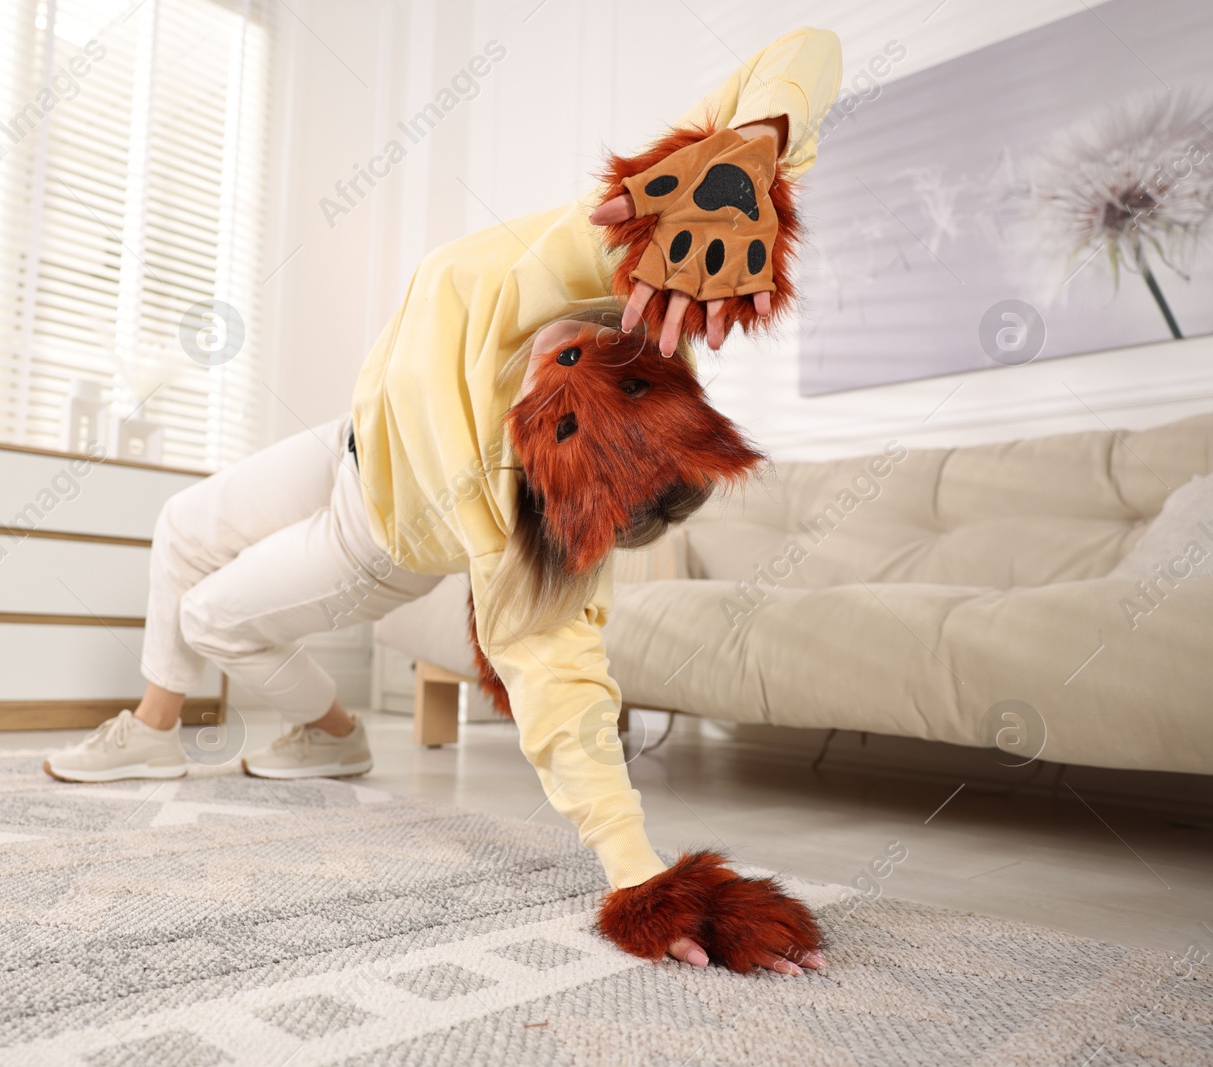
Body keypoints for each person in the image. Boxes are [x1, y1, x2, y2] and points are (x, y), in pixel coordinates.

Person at [46, 26, 843, 976]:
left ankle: (332, 737)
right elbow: (810, 47)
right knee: (181, 523)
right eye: (608, 372)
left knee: (211, 618)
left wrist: (636, 874)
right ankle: (153, 730)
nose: (562, 351)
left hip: (374, 533)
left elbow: (564, 691)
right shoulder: (624, 268)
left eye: (557, 412)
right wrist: (753, 147)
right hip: (352, 437)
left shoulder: (512, 532)